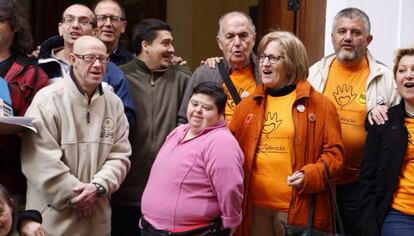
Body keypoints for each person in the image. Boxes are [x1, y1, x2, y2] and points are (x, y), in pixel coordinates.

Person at [229, 31, 344, 236]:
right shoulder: (246, 105)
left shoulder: (321, 106)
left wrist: (309, 175)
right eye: (263, 56)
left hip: (296, 208)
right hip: (252, 206)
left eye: (273, 58)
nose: (264, 64)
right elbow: (229, 150)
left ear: (291, 63)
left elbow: (335, 157)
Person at [20, 36, 131, 236]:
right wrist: (78, 196)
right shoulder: (47, 100)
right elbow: (40, 160)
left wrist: (97, 187)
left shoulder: (114, 103)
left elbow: (120, 156)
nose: (98, 65)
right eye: (90, 58)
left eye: (103, 59)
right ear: (72, 59)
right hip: (53, 219)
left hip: (97, 219)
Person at [307, 7, 400, 235]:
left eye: (355, 32)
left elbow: (399, 128)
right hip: (321, 180)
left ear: (368, 39)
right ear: (332, 38)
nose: (347, 37)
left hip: (361, 184)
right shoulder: (314, 74)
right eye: (341, 31)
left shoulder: (386, 78)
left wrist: (385, 119)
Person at [111, 18, 190, 236]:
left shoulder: (183, 78)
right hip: (123, 193)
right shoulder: (119, 77)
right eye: (165, 43)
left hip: (167, 195)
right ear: (145, 45)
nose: (171, 49)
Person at [140, 81, 244, 236]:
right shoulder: (179, 131)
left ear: (220, 113)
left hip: (192, 231)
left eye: (207, 108)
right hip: (151, 228)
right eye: (194, 104)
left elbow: (230, 188)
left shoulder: (221, 142)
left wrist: (230, 223)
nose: (197, 110)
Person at [37, 3, 136, 126]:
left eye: (83, 22)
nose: (75, 25)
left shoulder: (111, 71)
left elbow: (125, 119)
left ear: (95, 32)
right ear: (60, 28)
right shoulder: (40, 66)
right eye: (69, 20)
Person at [0, 0, 48, 234]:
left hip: (11, 176)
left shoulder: (33, 73)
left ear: (15, 26)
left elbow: (41, 127)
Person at [358, 47, 414, 236]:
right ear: (396, 81)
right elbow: (368, 178)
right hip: (400, 215)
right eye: (402, 70)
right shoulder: (384, 121)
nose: (408, 76)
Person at [178, 11, 259, 124]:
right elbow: (185, 119)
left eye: (243, 35)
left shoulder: (265, 72)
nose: (237, 43)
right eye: (230, 36)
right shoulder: (205, 73)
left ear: (253, 39)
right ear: (220, 42)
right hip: (213, 141)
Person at [93, 0, 133, 66]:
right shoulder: (78, 57)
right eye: (102, 18)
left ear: (123, 26)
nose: (108, 24)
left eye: (114, 19)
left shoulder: (131, 64)